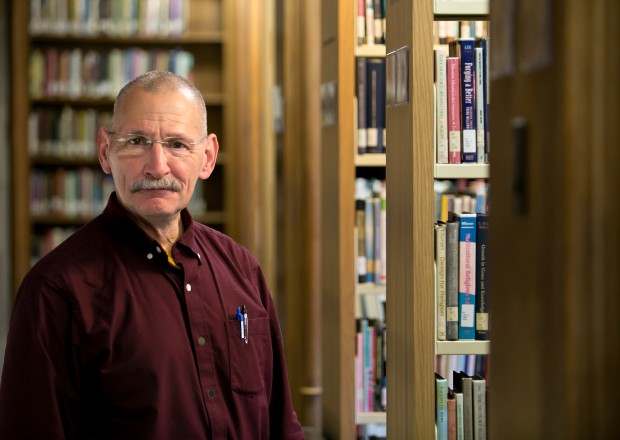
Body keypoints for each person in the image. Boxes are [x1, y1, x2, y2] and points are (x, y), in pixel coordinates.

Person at [0, 71, 305, 439]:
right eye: (136, 141)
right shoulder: (55, 290)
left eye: (177, 144)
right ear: (105, 152)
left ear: (207, 157)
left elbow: (280, 424)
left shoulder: (241, 269)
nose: (157, 166)